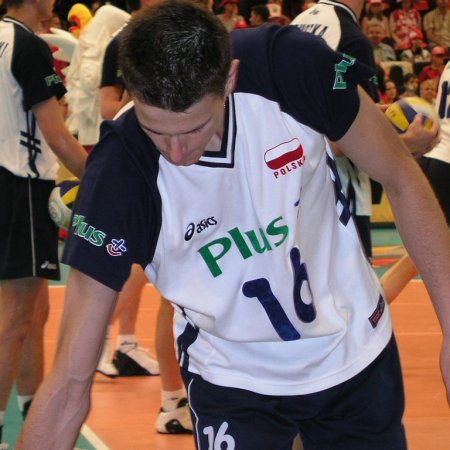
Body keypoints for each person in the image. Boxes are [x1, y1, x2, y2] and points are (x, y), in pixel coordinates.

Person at [17, 2, 450, 449]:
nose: (177, 153)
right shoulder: (119, 171)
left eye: (194, 128)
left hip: (354, 350)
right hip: (231, 377)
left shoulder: (290, 65)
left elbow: (401, 176)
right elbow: (69, 381)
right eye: (157, 131)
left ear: (229, 79)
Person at [97, 0, 193, 434]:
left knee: (168, 286)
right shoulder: (124, 41)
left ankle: (170, 396)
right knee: (155, 275)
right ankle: (99, 338)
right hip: (150, 166)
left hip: (181, 167)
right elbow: (109, 107)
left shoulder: (190, 31)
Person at [0, 0, 87, 446]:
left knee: (35, 312)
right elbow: (56, 133)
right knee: (16, 316)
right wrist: (101, 183)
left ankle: (33, 417)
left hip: (10, 180)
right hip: (20, 184)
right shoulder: (28, 44)